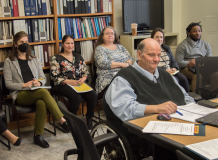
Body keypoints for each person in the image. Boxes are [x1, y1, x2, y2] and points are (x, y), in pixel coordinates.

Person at [104, 38, 195, 159]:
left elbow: (185, 97)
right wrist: (156, 108)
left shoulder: (166, 75)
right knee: (176, 147)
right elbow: (126, 110)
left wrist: (195, 112)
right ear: (139, 54)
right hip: (141, 134)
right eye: (151, 55)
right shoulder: (124, 78)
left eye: (158, 55)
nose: (156, 59)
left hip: (175, 123)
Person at [3, 31, 69, 148]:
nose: (25, 44)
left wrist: (38, 82)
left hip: (36, 91)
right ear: (15, 44)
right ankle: (62, 120)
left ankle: (37, 135)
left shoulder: (34, 59)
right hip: (20, 94)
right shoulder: (9, 61)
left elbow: (43, 77)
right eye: (21, 42)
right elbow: (8, 84)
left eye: (26, 42)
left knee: (41, 102)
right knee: (43, 92)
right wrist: (25, 85)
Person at [50, 35, 97, 130]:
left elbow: (85, 72)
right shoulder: (56, 58)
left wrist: (83, 79)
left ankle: (89, 118)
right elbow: (54, 77)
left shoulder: (78, 56)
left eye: (72, 43)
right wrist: (69, 82)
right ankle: (71, 120)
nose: (70, 45)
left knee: (93, 94)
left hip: (79, 84)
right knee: (76, 97)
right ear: (62, 44)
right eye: (67, 43)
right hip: (63, 84)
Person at [94, 26, 133, 94]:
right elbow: (103, 63)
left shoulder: (120, 47)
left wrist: (127, 64)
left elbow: (130, 58)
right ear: (102, 36)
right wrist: (122, 64)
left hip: (124, 74)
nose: (110, 35)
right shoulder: (100, 49)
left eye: (112, 33)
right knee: (124, 88)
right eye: (107, 33)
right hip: (108, 77)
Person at [175, 22, 212, 92]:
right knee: (197, 77)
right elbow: (178, 62)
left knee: (216, 75)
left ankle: (214, 98)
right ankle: (197, 99)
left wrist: (200, 63)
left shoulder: (206, 45)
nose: (198, 33)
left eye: (199, 31)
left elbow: (209, 60)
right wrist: (190, 63)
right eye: (194, 31)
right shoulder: (182, 45)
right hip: (186, 69)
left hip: (202, 67)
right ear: (189, 33)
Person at [151, 28, 189, 92]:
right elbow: (151, 66)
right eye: (157, 37)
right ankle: (175, 99)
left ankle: (186, 97)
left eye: (161, 37)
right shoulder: (150, 51)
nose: (159, 39)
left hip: (170, 71)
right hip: (159, 72)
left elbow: (173, 62)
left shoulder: (167, 49)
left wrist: (174, 68)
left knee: (183, 79)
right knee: (175, 80)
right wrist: (165, 70)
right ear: (152, 38)